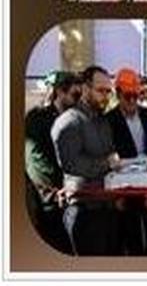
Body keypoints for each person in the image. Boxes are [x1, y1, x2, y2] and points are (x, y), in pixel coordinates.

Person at [51, 65, 120, 255]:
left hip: (108, 210)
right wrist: (108, 163)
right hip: (84, 212)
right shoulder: (69, 121)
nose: (106, 96)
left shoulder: (103, 120)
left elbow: (111, 156)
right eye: (101, 91)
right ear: (85, 88)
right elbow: (72, 165)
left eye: (108, 91)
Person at [25, 71, 81, 254]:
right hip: (51, 202)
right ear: (60, 92)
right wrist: (52, 194)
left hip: (75, 197)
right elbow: (35, 161)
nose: (78, 100)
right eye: (75, 95)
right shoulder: (38, 119)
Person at [106, 68, 147, 255]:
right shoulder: (109, 120)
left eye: (136, 96)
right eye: (128, 96)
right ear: (118, 94)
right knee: (131, 236)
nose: (133, 101)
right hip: (125, 188)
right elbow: (108, 156)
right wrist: (116, 195)